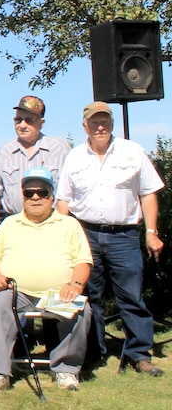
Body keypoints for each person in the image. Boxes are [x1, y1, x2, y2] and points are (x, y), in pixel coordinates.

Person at [56, 101, 165, 376]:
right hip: (85, 234)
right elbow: (63, 201)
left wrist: (151, 233)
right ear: (85, 127)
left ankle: (138, 355)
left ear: (112, 124)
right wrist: (66, 239)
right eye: (94, 122)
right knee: (89, 298)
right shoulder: (75, 157)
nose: (100, 126)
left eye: (104, 121)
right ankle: (93, 354)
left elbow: (149, 193)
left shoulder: (132, 151)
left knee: (131, 297)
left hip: (124, 236)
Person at [0, 167, 92, 393]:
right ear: (22, 196)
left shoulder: (69, 224)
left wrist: (76, 285)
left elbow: (83, 261)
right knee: (0, 303)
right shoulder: (9, 224)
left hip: (57, 293)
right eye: (29, 193)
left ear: (52, 196)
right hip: (17, 293)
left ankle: (66, 370)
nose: (35, 197)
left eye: (42, 192)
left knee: (83, 310)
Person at [0, 96, 70, 241]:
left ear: (41, 123)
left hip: (52, 226)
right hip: (15, 226)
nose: (22, 125)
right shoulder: (4, 152)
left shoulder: (60, 149)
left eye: (29, 120)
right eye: (18, 120)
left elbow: (69, 192)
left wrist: (62, 227)